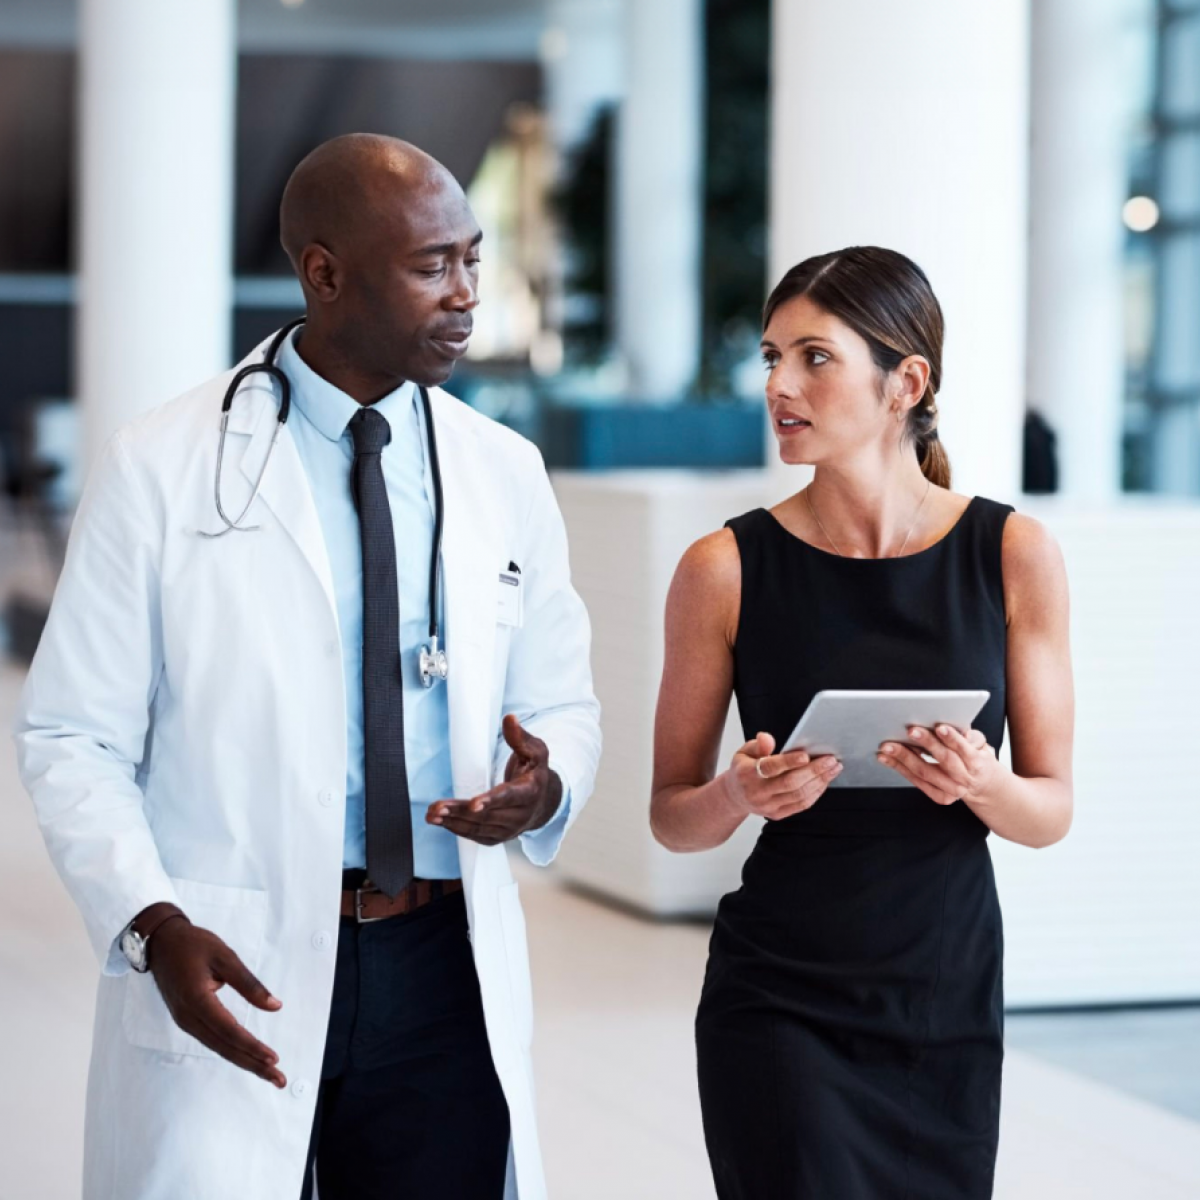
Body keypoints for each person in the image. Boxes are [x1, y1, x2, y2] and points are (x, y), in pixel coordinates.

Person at [13, 134, 600, 1200]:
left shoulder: (500, 470)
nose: (468, 294)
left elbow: (559, 697)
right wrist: (150, 922)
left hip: (442, 962)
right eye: (433, 267)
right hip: (236, 952)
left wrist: (545, 783)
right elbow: (73, 735)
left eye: (473, 258)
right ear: (324, 274)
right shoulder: (162, 465)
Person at [650, 246, 1074, 1199]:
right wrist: (736, 791)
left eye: (814, 356)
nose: (779, 385)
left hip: (944, 993)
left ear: (905, 382)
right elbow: (671, 815)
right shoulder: (721, 568)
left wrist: (983, 784)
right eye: (770, 357)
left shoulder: (1014, 554)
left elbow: (1050, 811)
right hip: (779, 992)